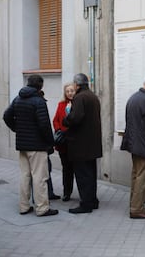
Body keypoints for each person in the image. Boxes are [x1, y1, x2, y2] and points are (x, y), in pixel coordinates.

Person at [3, 74, 59, 217]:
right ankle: (42, 208)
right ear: (40, 86)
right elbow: (44, 125)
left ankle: (24, 206)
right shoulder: (38, 101)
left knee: (24, 176)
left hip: (23, 144)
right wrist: (50, 143)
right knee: (40, 177)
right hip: (37, 146)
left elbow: (6, 116)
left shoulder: (18, 98)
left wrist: (18, 129)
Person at [120, 75, 145, 219]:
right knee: (142, 178)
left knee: (136, 176)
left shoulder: (134, 98)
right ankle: (137, 209)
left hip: (134, 143)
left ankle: (136, 205)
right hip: (144, 144)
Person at [63, 73, 102, 214]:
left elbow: (75, 118)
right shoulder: (92, 96)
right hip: (92, 144)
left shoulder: (80, 98)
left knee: (82, 175)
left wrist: (66, 118)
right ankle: (92, 201)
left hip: (81, 144)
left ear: (77, 84)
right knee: (91, 174)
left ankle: (86, 204)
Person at [53, 82, 76, 201]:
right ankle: (67, 192)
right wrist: (58, 130)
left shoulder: (79, 104)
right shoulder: (61, 104)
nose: (70, 93)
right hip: (63, 143)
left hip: (75, 143)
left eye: (72, 90)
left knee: (76, 169)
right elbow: (56, 120)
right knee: (66, 169)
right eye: (67, 91)